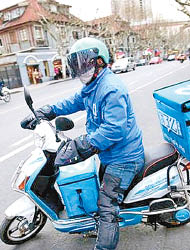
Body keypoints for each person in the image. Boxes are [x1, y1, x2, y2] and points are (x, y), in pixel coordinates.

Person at [20, 37, 145, 250]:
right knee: (95, 187)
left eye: (84, 62)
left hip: (124, 158)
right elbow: (74, 101)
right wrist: (47, 112)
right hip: (110, 154)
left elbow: (115, 128)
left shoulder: (111, 88)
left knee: (107, 204)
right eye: (76, 64)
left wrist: (82, 146)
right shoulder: (93, 85)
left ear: (99, 62)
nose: (80, 68)